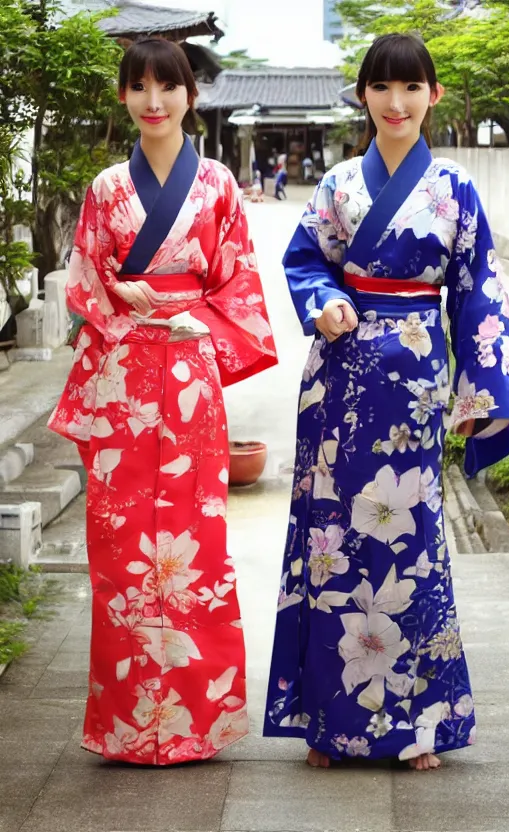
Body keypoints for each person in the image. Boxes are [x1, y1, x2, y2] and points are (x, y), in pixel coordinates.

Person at [263, 32, 509, 771]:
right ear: (363, 97)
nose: (397, 102)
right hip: (338, 381)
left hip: (413, 389)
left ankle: (419, 724)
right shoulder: (339, 185)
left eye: (412, 88)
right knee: (330, 544)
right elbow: (305, 258)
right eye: (382, 87)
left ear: (433, 95)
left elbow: (479, 294)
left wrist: (483, 395)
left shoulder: (454, 189)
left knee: (410, 547)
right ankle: (329, 720)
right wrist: (323, 302)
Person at [48, 37, 277, 765]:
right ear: (124, 97)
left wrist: (189, 319)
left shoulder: (216, 187)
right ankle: (125, 727)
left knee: (194, 550)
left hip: (187, 378)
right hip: (122, 378)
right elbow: (84, 276)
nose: (154, 101)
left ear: (191, 97)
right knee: (119, 550)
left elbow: (238, 284)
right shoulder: (105, 189)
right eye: (140, 88)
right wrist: (120, 295)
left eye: (167, 88)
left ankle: (194, 723)